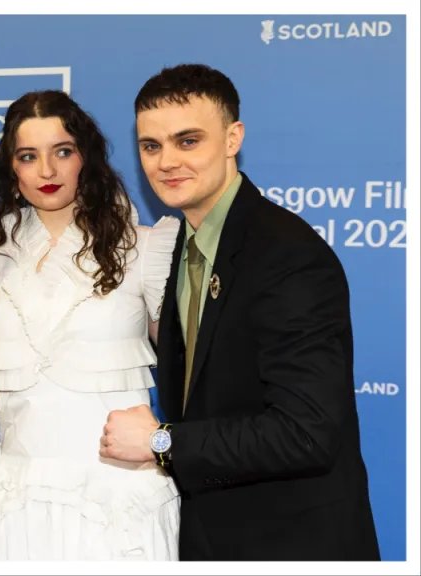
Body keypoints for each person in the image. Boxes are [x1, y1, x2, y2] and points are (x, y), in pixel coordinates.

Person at [100, 63, 380, 560]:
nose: (167, 162)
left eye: (188, 141)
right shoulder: (181, 245)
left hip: (293, 545)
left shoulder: (287, 255)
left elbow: (306, 432)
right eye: (151, 146)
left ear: (233, 139)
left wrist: (163, 442)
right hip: (213, 538)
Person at [0, 90, 180, 561]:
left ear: (86, 158)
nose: (47, 171)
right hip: (16, 503)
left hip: (115, 501)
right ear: (12, 169)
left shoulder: (143, 249)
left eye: (62, 151)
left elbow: (188, 373)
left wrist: (169, 441)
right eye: (28, 156)